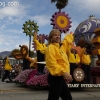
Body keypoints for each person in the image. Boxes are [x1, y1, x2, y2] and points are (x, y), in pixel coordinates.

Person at [45, 29, 73, 100]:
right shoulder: (50, 48)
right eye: (55, 35)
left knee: (67, 98)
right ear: (51, 38)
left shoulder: (60, 48)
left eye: (59, 35)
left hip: (60, 77)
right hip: (55, 77)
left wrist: (70, 35)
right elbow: (52, 64)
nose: (58, 36)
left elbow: (66, 41)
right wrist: (64, 72)